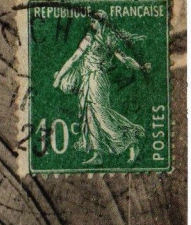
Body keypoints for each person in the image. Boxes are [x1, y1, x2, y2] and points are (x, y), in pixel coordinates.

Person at [53, 11, 150, 164]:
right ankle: (98, 154)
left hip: (97, 78)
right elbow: (74, 58)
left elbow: (124, 59)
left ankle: (131, 140)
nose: (91, 24)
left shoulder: (109, 39)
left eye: (94, 21)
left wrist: (141, 67)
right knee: (90, 114)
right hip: (86, 79)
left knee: (100, 113)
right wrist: (59, 77)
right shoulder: (89, 38)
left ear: (101, 22)